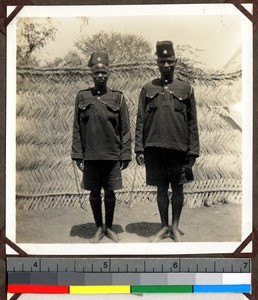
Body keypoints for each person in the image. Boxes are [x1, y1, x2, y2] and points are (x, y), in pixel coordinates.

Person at [135, 41, 199, 242]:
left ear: (175, 61)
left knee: (178, 188)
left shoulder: (186, 88)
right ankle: (163, 227)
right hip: (154, 147)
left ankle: (176, 227)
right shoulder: (147, 88)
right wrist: (139, 148)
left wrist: (192, 152)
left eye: (170, 61)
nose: (166, 65)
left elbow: (192, 122)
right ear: (157, 62)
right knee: (161, 188)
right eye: (162, 61)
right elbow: (140, 119)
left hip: (179, 148)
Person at [71, 52, 132, 243]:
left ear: (108, 73)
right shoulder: (82, 97)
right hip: (91, 155)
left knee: (111, 193)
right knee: (94, 193)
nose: (100, 76)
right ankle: (98, 228)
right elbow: (77, 128)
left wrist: (125, 155)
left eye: (104, 72)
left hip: (112, 155)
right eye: (96, 72)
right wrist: (78, 155)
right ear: (91, 73)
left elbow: (125, 128)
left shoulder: (118, 98)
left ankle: (110, 228)